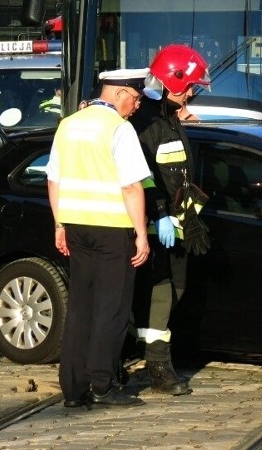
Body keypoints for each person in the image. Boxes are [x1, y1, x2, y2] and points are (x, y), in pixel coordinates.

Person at [47, 68, 152, 408]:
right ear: (120, 92)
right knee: (112, 308)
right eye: (135, 98)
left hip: (76, 226)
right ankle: (103, 385)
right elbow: (131, 186)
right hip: (112, 229)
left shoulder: (69, 124)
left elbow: (53, 180)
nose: (136, 106)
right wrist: (140, 234)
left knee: (81, 307)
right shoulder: (118, 129)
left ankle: (73, 390)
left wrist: (60, 224)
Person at [130, 44, 211, 396]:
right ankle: (158, 367)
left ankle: (146, 356)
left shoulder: (167, 117)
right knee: (161, 294)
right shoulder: (147, 122)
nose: (192, 92)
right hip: (154, 224)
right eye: (189, 86)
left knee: (174, 290)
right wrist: (160, 216)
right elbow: (145, 177)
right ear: (169, 81)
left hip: (177, 222)